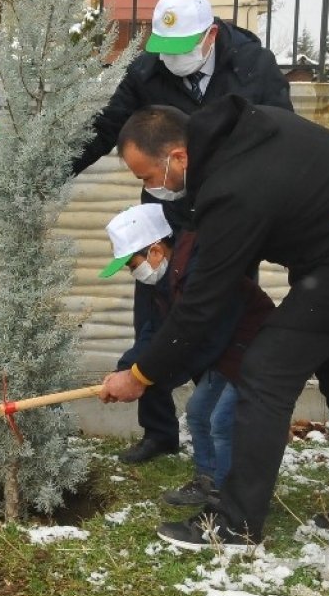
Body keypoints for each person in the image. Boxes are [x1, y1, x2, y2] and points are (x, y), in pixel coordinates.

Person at [98, 98, 329, 549]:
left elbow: (202, 305)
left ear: (178, 156)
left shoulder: (233, 186)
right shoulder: (241, 136)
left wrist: (142, 375)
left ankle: (236, 523)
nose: (150, 187)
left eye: (147, 177)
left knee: (264, 372)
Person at [71, 0, 291, 465]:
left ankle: (217, 422)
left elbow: (280, 133)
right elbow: (108, 125)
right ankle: (158, 430)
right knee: (154, 308)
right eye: (163, 48)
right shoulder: (148, 68)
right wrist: (54, 168)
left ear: (211, 35)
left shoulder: (251, 66)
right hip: (165, 204)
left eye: (182, 48)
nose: (170, 59)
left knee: (217, 308)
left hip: (231, 210)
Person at [99, 202, 272, 505]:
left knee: (222, 420)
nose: (133, 272)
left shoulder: (198, 270)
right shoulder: (163, 280)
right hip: (224, 348)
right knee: (198, 412)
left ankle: (230, 494)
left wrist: (146, 379)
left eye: (131, 263)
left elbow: (202, 340)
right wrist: (126, 371)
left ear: (155, 251)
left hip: (254, 344)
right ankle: (208, 480)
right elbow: (155, 333)